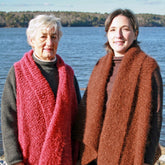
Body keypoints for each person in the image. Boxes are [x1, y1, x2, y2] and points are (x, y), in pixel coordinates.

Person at [73, 9, 163, 165]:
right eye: (113, 30)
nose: (118, 35)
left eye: (125, 29)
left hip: (128, 154)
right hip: (95, 155)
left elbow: (154, 119)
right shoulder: (100, 65)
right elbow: (86, 111)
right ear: (107, 34)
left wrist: (146, 160)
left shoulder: (148, 67)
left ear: (135, 33)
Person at [1, 14, 81, 165]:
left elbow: (78, 118)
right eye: (43, 37)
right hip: (29, 159)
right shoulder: (18, 72)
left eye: (54, 36)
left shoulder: (68, 74)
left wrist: (79, 156)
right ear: (31, 40)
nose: (49, 42)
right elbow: (8, 119)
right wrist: (14, 159)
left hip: (64, 158)